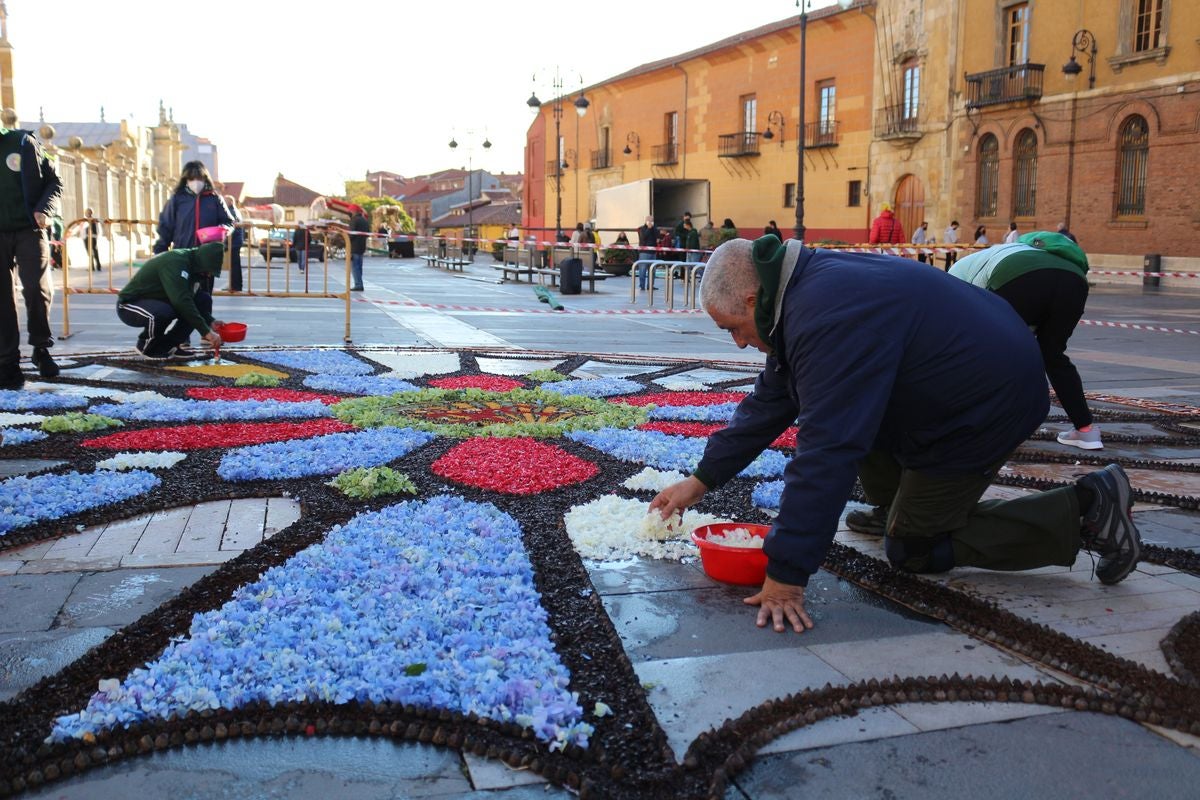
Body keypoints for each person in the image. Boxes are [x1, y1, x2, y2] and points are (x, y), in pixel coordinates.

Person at [651, 236, 1142, 633]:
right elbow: (771, 400)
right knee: (857, 429)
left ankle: (1084, 511)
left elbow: (828, 448)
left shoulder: (825, 315)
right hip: (947, 387)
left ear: (753, 300)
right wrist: (700, 480)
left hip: (982, 407)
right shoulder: (801, 290)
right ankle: (902, 507)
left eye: (732, 328)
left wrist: (785, 574)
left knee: (911, 549)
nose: (738, 342)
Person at [950, 231, 1102, 451]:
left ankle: (988, 425)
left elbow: (959, 326)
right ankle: (1086, 431)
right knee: (1053, 355)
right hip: (1075, 281)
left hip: (1015, 276)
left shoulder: (960, 270)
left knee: (989, 352)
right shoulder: (1049, 256)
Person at [0, 125, 62, 387]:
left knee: (36, 288)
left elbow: (54, 182)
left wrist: (44, 209)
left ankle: (40, 347)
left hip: (29, 228)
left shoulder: (23, 141)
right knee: (2, 298)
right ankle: (8, 363)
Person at [116, 241, 225, 359]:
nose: (208, 275)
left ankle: (169, 345)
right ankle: (146, 346)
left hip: (159, 301)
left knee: (203, 299)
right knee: (163, 311)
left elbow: (192, 299)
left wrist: (210, 321)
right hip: (130, 305)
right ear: (202, 263)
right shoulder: (176, 262)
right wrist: (206, 332)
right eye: (208, 271)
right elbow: (182, 301)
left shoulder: (194, 266)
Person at [154, 161, 235, 294]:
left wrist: (220, 230)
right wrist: (160, 251)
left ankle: (203, 315)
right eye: (191, 178)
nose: (195, 182)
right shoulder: (177, 199)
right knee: (182, 297)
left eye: (199, 178)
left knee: (204, 298)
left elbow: (229, 222)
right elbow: (166, 226)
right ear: (186, 180)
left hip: (207, 256)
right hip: (182, 255)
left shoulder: (215, 199)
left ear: (205, 178)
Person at [224, 195, 244, 292]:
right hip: (235, 241)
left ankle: (235, 286)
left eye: (225, 201)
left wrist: (226, 241)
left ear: (231, 202)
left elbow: (232, 228)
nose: (223, 203)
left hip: (234, 242)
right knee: (235, 265)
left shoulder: (231, 212)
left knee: (234, 265)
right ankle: (235, 285)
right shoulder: (235, 211)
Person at [350, 209, 369, 291]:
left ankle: (358, 284)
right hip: (362, 246)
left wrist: (346, 239)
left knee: (355, 267)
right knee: (359, 266)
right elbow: (368, 233)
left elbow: (352, 234)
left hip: (354, 246)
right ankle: (359, 283)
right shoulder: (365, 220)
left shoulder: (354, 220)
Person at [636, 217, 658, 290]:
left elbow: (657, 235)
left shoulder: (655, 228)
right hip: (644, 252)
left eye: (652, 221)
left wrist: (653, 228)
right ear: (646, 221)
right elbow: (643, 237)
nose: (651, 222)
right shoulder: (642, 229)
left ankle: (650, 285)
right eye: (649, 221)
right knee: (643, 270)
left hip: (653, 252)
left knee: (652, 270)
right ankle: (642, 285)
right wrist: (648, 229)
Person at [84, 207, 103, 271]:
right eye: (86, 212)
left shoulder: (94, 220)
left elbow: (101, 222)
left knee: (93, 251)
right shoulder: (85, 220)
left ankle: (96, 266)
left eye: (87, 212)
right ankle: (95, 266)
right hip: (87, 237)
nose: (86, 213)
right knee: (92, 252)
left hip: (92, 237)